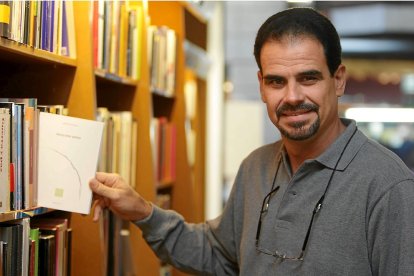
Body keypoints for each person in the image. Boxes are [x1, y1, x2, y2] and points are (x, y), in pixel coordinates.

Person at [89, 7, 414, 275]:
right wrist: (142, 211)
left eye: (308, 78)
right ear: (261, 85)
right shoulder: (255, 167)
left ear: (338, 80)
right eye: (276, 81)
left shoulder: (389, 186)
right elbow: (218, 255)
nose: (292, 97)